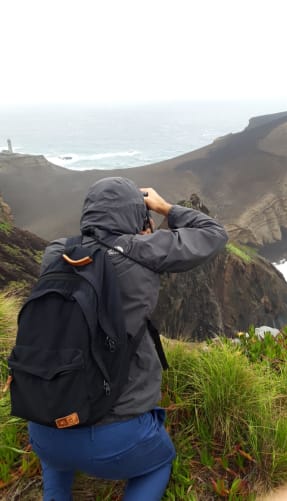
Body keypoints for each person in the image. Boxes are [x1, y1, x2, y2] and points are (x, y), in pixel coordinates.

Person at [28, 176, 228, 501]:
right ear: (138, 219)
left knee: (57, 462)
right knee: (158, 463)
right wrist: (163, 208)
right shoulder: (142, 251)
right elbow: (214, 235)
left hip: (44, 426)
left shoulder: (55, 254)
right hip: (114, 440)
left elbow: (94, 252)